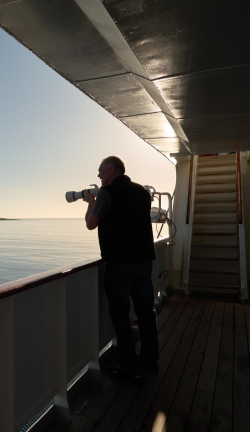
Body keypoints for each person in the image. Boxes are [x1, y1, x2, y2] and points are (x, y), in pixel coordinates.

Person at [83, 156, 159, 380]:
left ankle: (129, 369)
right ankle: (150, 360)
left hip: (119, 265)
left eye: (101, 171)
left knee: (121, 316)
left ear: (112, 170)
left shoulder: (107, 193)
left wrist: (90, 202)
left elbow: (90, 223)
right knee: (146, 312)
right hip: (144, 262)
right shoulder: (142, 192)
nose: (98, 175)